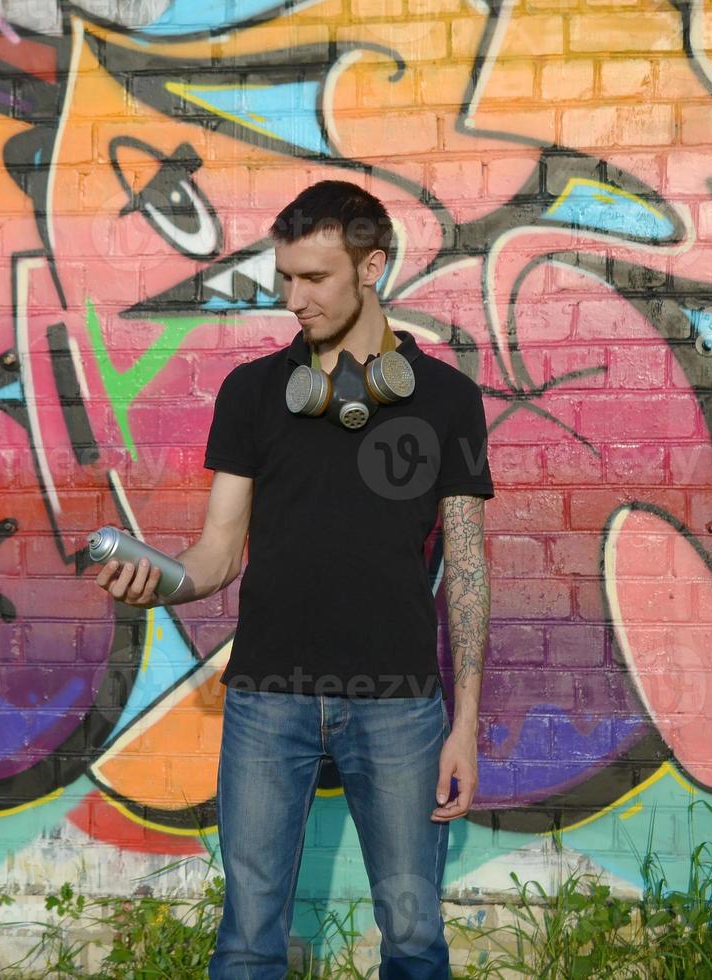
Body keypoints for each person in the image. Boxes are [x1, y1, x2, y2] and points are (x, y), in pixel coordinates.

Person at [95, 180, 493, 979]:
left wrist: (466, 721)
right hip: (267, 700)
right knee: (247, 940)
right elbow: (214, 557)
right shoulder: (252, 395)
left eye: (314, 278)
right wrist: (160, 581)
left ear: (372, 266)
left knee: (415, 939)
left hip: (400, 703)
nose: (293, 298)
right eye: (284, 277)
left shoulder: (449, 399)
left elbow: (471, 566)